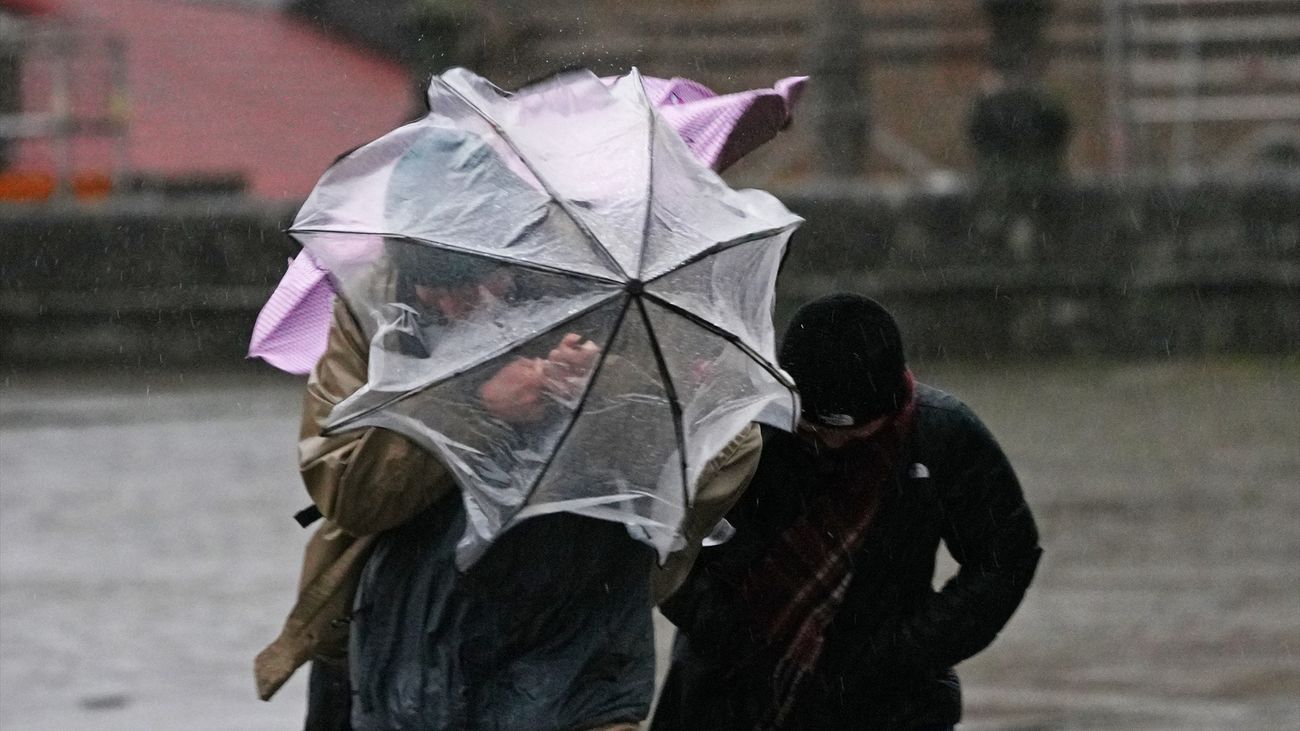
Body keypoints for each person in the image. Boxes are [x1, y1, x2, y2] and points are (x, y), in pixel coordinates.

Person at [254, 248, 763, 731]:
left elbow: (729, 448)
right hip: (408, 631)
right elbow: (349, 496)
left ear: (513, 262)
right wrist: (473, 409)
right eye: (433, 290)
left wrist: (605, 390)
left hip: (582, 631)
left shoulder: (622, 291)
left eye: (472, 287)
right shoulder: (373, 307)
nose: (454, 306)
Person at [651, 293, 1042, 731]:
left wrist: (907, 649)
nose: (829, 441)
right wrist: (719, 626)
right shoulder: (745, 428)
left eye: (851, 432)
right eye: (812, 426)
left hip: (883, 702)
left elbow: (1005, 557)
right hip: (723, 693)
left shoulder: (942, 437)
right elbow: (668, 534)